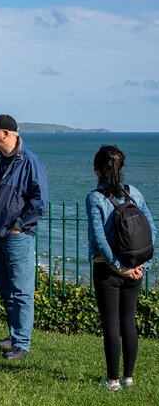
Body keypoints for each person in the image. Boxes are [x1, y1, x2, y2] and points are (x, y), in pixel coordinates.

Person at [85, 145, 156, 390]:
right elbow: (151, 232)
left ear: (97, 170)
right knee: (129, 321)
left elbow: (99, 239)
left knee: (111, 326)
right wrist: (141, 265)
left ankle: (112, 380)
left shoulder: (94, 198)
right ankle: (129, 377)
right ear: (120, 167)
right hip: (134, 269)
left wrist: (117, 266)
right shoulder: (134, 193)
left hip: (107, 270)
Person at [0, 114, 48, 360]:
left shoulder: (29, 162)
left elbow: (40, 202)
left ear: (7, 134)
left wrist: (18, 226)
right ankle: (13, 335)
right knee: (6, 288)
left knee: (21, 290)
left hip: (16, 236)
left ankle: (21, 343)